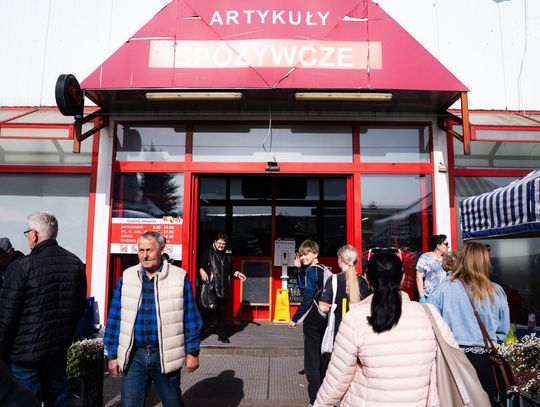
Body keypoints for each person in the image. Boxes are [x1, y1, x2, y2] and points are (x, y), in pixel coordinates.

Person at [314, 251, 459, 407]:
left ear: (367, 280)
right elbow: (453, 360)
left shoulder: (354, 319)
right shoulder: (429, 315)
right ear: (403, 278)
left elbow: (337, 380)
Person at [104, 231, 202, 407]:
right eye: (141, 250)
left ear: (161, 250)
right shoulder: (127, 276)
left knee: (172, 403)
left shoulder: (179, 277)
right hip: (134, 355)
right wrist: (112, 354)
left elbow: (191, 318)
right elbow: (115, 317)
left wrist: (192, 352)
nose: (145, 255)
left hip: (165, 355)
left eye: (149, 250)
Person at [0, 211, 87, 406]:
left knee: (23, 400)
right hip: (56, 349)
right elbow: (79, 308)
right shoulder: (74, 263)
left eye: (27, 232)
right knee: (58, 399)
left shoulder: (22, 266)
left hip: (24, 354)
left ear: (34, 234)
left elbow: (6, 316)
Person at [428, 241, 510, 403]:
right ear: (485, 262)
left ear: (462, 260)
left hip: (452, 361)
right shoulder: (496, 291)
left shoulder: (442, 290)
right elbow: (502, 330)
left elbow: (430, 327)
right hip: (485, 362)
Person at [288, 239, 331, 406]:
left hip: (313, 318)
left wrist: (295, 318)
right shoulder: (324, 269)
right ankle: (325, 396)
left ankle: (314, 399)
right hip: (325, 316)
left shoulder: (312, 271)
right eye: (302, 254)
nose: (303, 257)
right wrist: (299, 269)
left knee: (312, 360)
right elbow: (305, 289)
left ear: (315, 253)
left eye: (307, 254)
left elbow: (307, 297)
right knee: (322, 356)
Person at [199, 232, 246, 343]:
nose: (221, 246)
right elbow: (200, 265)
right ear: (215, 242)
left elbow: (231, 269)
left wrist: (238, 274)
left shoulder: (228, 254)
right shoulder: (208, 252)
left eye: (223, 244)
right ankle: (199, 333)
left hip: (223, 287)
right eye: (219, 243)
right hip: (211, 287)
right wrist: (202, 271)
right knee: (207, 312)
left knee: (222, 313)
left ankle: (222, 335)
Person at [319, 245, 370, 334]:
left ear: (340, 259)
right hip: (359, 332)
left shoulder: (334, 279)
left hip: (339, 331)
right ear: (357, 260)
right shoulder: (364, 281)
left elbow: (323, 307)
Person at [416, 234, 449, 303]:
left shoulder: (447, 259)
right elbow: (419, 277)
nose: (448, 246)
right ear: (438, 246)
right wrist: (422, 296)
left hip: (444, 297)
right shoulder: (425, 257)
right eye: (446, 244)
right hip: (429, 296)